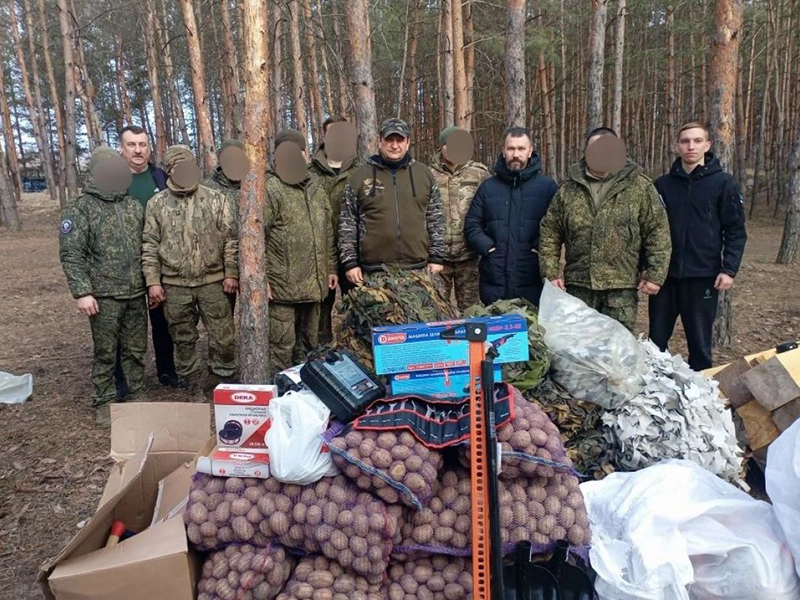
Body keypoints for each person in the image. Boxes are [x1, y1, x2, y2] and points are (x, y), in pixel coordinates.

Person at [539, 127, 672, 332]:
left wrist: (655, 274)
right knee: (579, 345)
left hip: (620, 290)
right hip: (579, 286)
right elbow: (550, 232)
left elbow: (657, 231)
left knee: (618, 346)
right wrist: (550, 273)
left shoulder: (639, 187)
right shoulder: (568, 189)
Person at [59, 146, 147, 426]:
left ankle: (136, 393)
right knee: (106, 352)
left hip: (136, 292)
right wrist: (82, 292)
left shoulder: (132, 206)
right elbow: (72, 253)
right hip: (104, 295)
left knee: (136, 349)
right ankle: (104, 400)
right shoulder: (81, 208)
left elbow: (146, 246)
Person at [649, 122, 747, 370]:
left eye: (697, 141)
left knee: (700, 346)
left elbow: (735, 230)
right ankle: (654, 388)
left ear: (707, 145)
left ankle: (700, 391)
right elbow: (649, 231)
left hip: (703, 276)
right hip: (665, 278)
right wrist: (648, 270)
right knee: (655, 345)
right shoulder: (662, 185)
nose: (690, 146)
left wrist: (729, 269)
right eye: (685, 141)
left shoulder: (723, 183)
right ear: (677, 146)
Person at [142, 145, 239, 394]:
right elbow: (149, 245)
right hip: (174, 285)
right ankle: (192, 384)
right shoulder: (156, 204)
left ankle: (222, 379)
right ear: (169, 170)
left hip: (213, 283)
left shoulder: (216, 198)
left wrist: (231, 273)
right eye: (178, 167)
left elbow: (230, 239)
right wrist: (153, 281)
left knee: (223, 336)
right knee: (183, 338)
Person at [339, 118, 446, 284]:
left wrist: (437, 256)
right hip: (374, 272)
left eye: (399, 140)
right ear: (380, 141)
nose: (394, 146)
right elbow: (348, 221)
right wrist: (350, 262)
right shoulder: (360, 176)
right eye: (389, 140)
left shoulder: (423, 174)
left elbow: (435, 217)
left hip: (417, 271)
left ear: (408, 142)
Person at [265, 129, 337, 375]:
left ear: (306, 155)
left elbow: (327, 230)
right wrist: (261, 280)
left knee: (309, 346)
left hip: (314, 286)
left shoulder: (316, 187)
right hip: (281, 289)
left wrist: (331, 267)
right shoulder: (270, 189)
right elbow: (255, 238)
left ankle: (305, 390)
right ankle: (280, 390)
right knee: (281, 349)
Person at [117, 125, 181, 391]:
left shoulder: (161, 179)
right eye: (131, 145)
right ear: (122, 148)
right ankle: (124, 378)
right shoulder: (113, 182)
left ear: (149, 148)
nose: (137, 150)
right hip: (124, 265)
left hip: (159, 262)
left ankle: (167, 371)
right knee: (127, 324)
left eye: (142, 144)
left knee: (163, 320)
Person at [464, 126, 556, 307]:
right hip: (494, 280)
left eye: (521, 149)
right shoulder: (488, 188)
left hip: (532, 278)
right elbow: (472, 224)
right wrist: (489, 249)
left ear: (530, 151)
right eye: (511, 148)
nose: (516, 154)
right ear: (503, 151)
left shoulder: (547, 188)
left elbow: (556, 228)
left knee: (530, 325)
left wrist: (537, 248)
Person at [429, 126, 491, 310]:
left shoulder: (480, 174)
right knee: (437, 310)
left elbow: (491, 209)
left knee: (471, 311)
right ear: (441, 147)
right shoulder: (428, 174)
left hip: (469, 256)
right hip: (437, 258)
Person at [309, 116, 358, 344]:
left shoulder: (360, 171)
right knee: (319, 313)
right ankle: (322, 352)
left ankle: (354, 352)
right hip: (318, 254)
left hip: (354, 254)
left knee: (356, 307)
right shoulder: (309, 173)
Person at [202, 138, 247, 312]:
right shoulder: (207, 188)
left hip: (255, 261)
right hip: (219, 268)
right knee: (222, 315)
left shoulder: (256, 184)